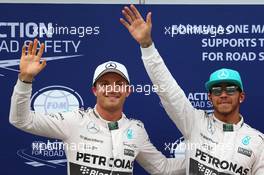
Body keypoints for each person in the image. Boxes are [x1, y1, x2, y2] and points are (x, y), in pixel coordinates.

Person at [120, 4, 264, 175]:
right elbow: (168, 91)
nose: (223, 94)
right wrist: (147, 46)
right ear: (210, 97)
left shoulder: (257, 142)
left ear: (241, 96)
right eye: (217, 90)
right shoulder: (195, 122)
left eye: (231, 89)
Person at [9, 39, 185, 175]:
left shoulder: (135, 129)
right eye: (105, 83)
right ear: (95, 90)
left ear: (128, 91)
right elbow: (20, 120)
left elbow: (162, 169)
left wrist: (204, 159)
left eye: (119, 83)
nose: (112, 89)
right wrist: (25, 80)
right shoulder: (74, 121)